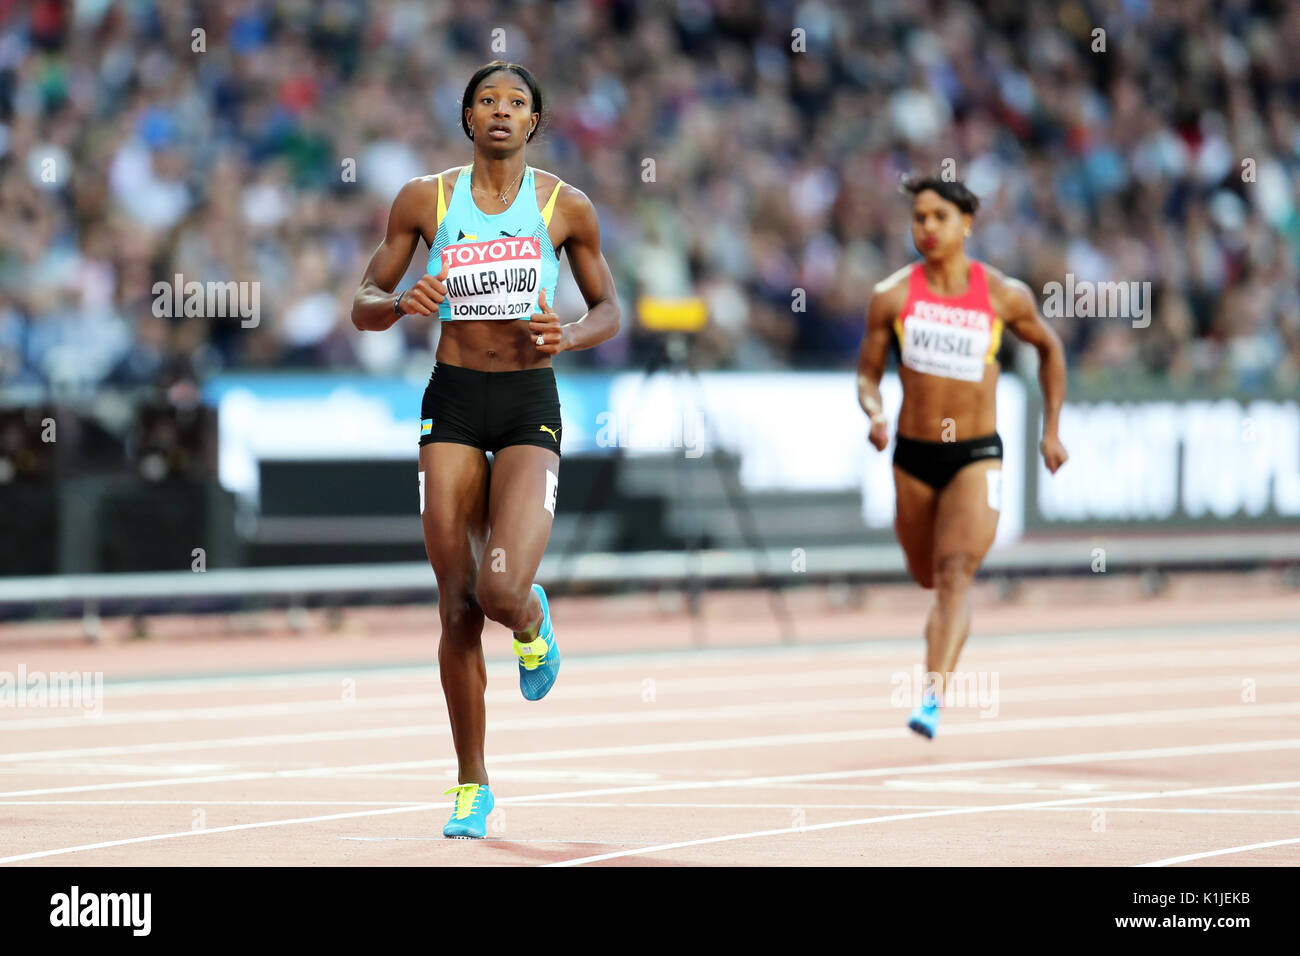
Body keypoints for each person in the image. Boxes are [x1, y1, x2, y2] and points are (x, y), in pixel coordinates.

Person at [351, 61, 621, 836]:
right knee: (458, 600)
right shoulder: (424, 199)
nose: (501, 112)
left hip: (530, 400)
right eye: (487, 101)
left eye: (517, 103)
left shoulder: (565, 206)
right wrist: (402, 302)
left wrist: (567, 334)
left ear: (535, 123)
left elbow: (610, 308)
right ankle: (473, 784)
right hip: (455, 401)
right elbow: (362, 303)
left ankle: (531, 622)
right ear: (467, 117)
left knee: (501, 592)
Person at [856, 175, 1068, 739]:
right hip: (913, 454)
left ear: (966, 224)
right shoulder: (893, 295)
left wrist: (1051, 431)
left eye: (938, 218)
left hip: (977, 455)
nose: (926, 227)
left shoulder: (1002, 295)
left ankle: (931, 698)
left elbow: (1049, 348)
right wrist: (874, 413)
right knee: (926, 574)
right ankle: (936, 674)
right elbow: (867, 374)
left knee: (955, 575)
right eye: (918, 218)